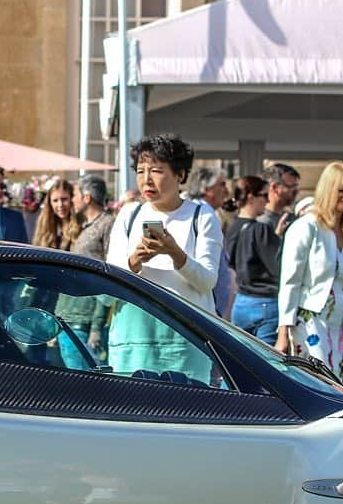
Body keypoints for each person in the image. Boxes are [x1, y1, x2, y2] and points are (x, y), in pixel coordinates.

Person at [105, 133, 222, 380]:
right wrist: (133, 261)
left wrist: (176, 254)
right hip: (133, 341)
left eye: (156, 171)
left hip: (186, 340)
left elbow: (207, 281)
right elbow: (107, 285)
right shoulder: (129, 214)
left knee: (185, 414)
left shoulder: (201, 215)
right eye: (140, 171)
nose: (146, 180)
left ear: (180, 175)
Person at [277, 161, 343, 381]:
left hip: (340, 325)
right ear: (328, 190)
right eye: (341, 191)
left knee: (338, 385)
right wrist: (282, 334)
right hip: (310, 323)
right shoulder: (306, 227)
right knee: (317, 383)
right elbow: (290, 282)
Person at [225, 175, 282, 345]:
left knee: (244, 364)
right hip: (265, 302)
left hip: (240, 302)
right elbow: (278, 267)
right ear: (250, 197)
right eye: (264, 195)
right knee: (268, 365)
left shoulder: (232, 227)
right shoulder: (261, 230)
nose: (267, 201)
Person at [187, 165, 236, 319]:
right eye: (221, 184)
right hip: (206, 308)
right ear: (206, 189)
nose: (226, 190)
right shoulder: (201, 214)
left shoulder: (201, 211)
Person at [71, 173, 114, 262]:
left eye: (75, 195)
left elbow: (112, 262)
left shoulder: (108, 223)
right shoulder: (85, 225)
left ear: (87, 198)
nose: (72, 200)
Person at [32, 179, 78, 250]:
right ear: (50, 203)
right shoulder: (45, 225)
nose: (60, 205)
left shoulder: (80, 224)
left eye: (64, 199)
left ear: (72, 199)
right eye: (55, 200)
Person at [258, 163, 301, 235]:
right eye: (291, 187)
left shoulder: (292, 219)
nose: (296, 192)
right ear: (274, 187)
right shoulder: (259, 223)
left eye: (296, 187)